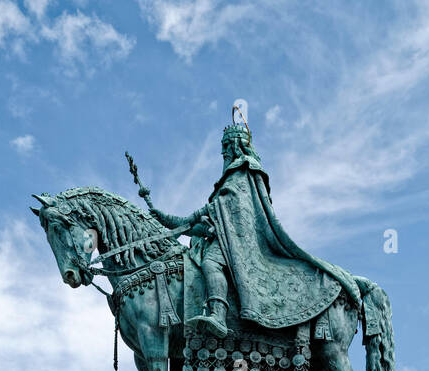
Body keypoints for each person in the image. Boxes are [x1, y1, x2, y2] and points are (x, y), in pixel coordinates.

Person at [147, 117, 359, 339]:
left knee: (211, 262)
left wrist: (199, 217)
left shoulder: (242, 170)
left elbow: (226, 206)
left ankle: (218, 315)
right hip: (228, 237)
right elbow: (203, 221)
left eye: (226, 148)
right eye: (223, 149)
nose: (224, 154)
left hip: (241, 242)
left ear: (235, 145)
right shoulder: (236, 174)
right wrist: (166, 219)